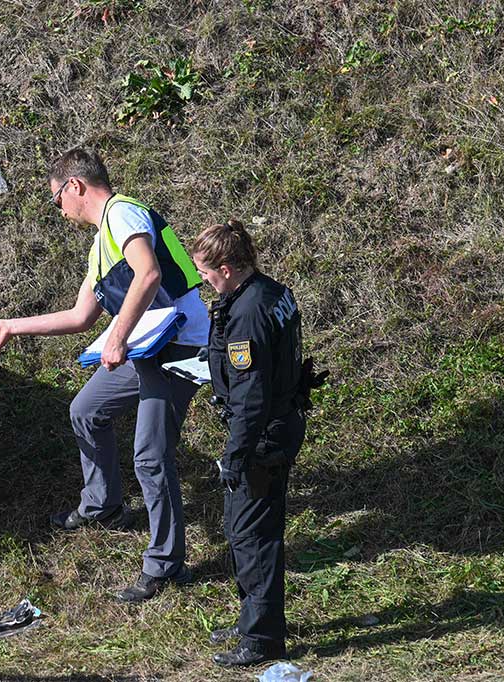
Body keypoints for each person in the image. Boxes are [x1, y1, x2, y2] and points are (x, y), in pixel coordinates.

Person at [0, 147, 208, 602]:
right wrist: (11, 326)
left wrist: (117, 338)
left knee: (150, 456)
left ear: (75, 186)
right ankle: (103, 506)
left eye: (57, 200)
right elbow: (80, 316)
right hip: (147, 348)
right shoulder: (101, 245)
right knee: (86, 409)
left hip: (179, 349)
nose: (60, 210)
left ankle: (165, 565)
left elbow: (148, 274)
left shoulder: (123, 213)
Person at [190, 220, 308, 667]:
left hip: (261, 436)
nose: (204, 280)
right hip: (279, 423)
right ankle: (254, 621)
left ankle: (262, 639)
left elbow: (251, 397)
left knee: (251, 535)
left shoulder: (247, 313)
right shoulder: (270, 291)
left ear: (226, 268)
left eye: (206, 273)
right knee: (253, 530)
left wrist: (235, 457)